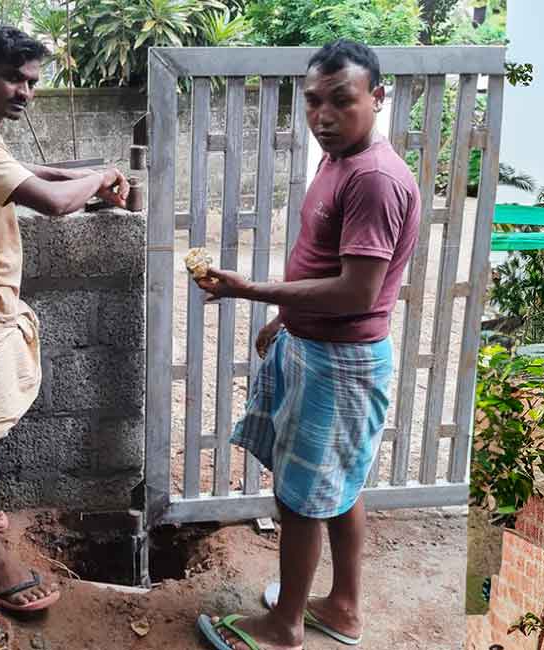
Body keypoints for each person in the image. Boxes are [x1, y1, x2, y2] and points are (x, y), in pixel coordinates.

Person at [194, 40, 419, 650]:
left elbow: (356, 291)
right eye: (313, 101)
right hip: (316, 347)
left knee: (302, 499)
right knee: (339, 487)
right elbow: (325, 264)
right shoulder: (339, 158)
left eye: (340, 101)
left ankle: (284, 625)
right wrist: (287, 319)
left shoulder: (373, 178)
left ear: (377, 97)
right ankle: (341, 608)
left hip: (339, 364)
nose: (322, 116)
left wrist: (254, 292)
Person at [0, 26, 127, 613]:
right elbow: (56, 202)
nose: (25, 93)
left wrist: (86, 174)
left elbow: (25, 169)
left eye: (33, 82)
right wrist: (102, 175)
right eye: (14, 78)